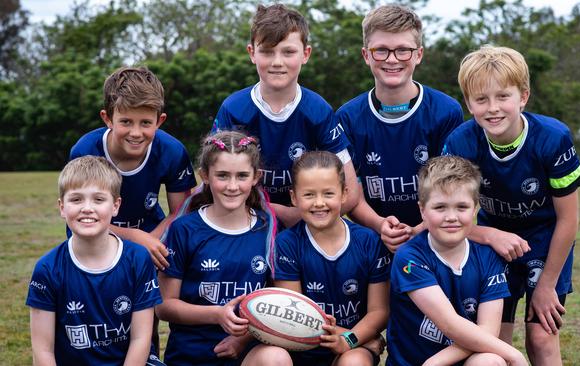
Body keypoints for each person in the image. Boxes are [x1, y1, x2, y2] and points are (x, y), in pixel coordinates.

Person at [443, 45, 580, 365]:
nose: (493, 108)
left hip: (545, 241)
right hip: (491, 243)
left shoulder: (553, 139)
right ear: (469, 103)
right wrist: (490, 235)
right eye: (481, 99)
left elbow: (568, 220)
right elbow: (449, 215)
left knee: (541, 336)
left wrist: (547, 285)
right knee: (493, 344)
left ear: (523, 96)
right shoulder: (460, 143)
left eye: (503, 96)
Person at [212, 3, 359, 229]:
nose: (277, 62)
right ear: (252, 53)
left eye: (288, 52)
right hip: (246, 222)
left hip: (307, 226)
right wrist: (275, 211)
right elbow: (214, 183)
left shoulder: (318, 110)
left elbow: (350, 192)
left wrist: (300, 215)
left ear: (305, 54)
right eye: (267, 51)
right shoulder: (234, 109)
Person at [336, 4, 464, 251]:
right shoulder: (347, 117)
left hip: (434, 236)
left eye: (403, 50)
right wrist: (379, 224)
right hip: (373, 238)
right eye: (381, 50)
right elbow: (352, 192)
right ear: (366, 55)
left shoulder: (445, 111)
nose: (392, 59)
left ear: (419, 54)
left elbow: (452, 188)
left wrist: (419, 229)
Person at [387, 155, 528, 366]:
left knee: (490, 360)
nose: (451, 217)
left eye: (461, 207)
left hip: (457, 361)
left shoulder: (488, 257)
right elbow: (450, 324)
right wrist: (515, 355)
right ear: (422, 210)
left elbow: (487, 332)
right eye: (440, 207)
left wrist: (435, 363)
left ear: (475, 209)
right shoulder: (409, 257)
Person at [156, 130, 278, 366]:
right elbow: (164, 306)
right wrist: (217, 314)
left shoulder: (268, 228)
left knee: (276, 358)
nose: (232, 186)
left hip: (247, 354)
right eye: (222, 175)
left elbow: (277, 301)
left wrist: (242, 340)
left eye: (242, 176)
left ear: (256, 177)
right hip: (191, 356)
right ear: (205, 176)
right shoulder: (184, 230)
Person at [27, 156, 164, 366]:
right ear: (62, 207)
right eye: (76, 199)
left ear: (116, 206)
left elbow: (140, 339)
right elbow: (42, 350)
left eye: (98, 199)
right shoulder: (48, 269)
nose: (87, 208)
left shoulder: (138, 259)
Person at [259, 151, 390, 366]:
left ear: (345, 193)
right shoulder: (287, 244)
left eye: (328, 193)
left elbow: (380, 311)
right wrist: (360, 338)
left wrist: (350, 340)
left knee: (355, 362)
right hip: (299, 349)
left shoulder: (369, 242)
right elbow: (293, 317)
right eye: (309, 195)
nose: (319, 203)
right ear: (293, 197)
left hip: (350, 349)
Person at [69, 65, 197, 271]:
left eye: (146, 122)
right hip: (93, 236)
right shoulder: (85, 151)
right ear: (108, 118)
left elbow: (181, 213)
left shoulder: (172, 151)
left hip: (153, 233)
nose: (136, 133)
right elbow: (78, 217)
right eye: (126, 122)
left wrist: (150, 240)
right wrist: (135, 238)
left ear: (159, 121)